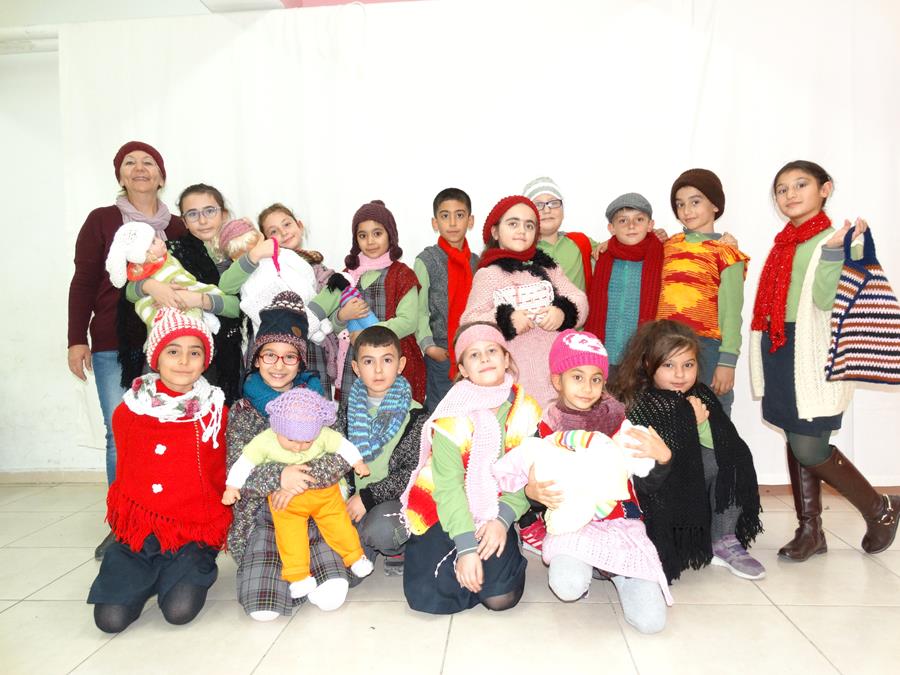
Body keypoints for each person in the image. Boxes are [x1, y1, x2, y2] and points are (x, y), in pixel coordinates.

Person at [750, 159, 899, 561]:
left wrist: (834, 252)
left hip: (815, 353)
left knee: (810, 447)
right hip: (781, 346)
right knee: (795, 435)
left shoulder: (842, 240)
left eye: (801, 185)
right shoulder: (784, 243)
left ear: (825, 188)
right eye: (782, 189)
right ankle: (810, 530)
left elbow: (824, 300)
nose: (790, 194)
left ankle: (880, 509)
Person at [496, 329, 672, 633]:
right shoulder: (545, 428)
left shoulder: (620, 423)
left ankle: (615, 569)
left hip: (621, 524)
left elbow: (646, 486)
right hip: (572, 525)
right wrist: (532, 493)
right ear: (557, 380)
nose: (588, 388)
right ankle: (592, 565)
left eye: (596, 379)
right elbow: (529, 486)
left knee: (652, 622)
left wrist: (663, 460)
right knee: (567, 586)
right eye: (577, 377)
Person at [67, 140, 186, 559]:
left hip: (170, 343)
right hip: (112, 341)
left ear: (161, 175)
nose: (139, 168)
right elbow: (84, 280)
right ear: (120, 174)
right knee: (120, 434)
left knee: (169, 431)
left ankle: (166, 518)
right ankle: (123, 524)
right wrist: (76, 338)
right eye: (130, 163)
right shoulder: (102, 220)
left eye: (148, 162)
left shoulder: (178, 227)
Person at [87, 308, 231, 633]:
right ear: (156, 357)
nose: (184, 361)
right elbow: (128, 472)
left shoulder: (215, 411)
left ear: (205, 360)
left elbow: (223, 470)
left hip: (193, 531)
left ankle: (179, 571)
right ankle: (144, 574)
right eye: (173, 351)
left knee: (179, 611)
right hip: (141, 532)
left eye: (194, 353)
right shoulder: (130, 410)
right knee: (109, 620)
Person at [225, 291, 356, 619]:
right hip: (264, 514)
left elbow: (340, 455)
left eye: (289, 357)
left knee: (333, 591)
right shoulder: (243, 411)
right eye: (270, 355)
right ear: (256, 359)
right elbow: (236, 469)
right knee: (262, 605)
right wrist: (280, 476)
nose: (279, 366)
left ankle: (312, 565)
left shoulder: (318, 403)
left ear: (300, 362)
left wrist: (300, 478)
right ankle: (279, 570)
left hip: (317, 506)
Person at [401, 322, 541, 614]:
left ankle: (503, 548)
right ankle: (465, 557)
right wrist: (466, 547)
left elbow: (526, 476)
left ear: (506, 359)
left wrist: (501, 521)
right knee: (425, 597)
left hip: (497, 508)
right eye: (474, 355)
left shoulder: (526, 410)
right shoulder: (451, 414)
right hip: (447, 508)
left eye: (492, 351)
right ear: (463, 370)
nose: (485, 358)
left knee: (500, 599)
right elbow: (448, 487)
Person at [613, 320, 764, 582]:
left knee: (732, 455)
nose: (680, 375)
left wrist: (701, 425)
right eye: (668, 365)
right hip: (651, 488)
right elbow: (647, 463)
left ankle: (723, 538)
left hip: (689, 481)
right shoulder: (636, 399)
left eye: (688, 365)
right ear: (648, 363)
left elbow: (723, 445)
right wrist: (685, 424)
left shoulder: (701, 394)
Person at [224, 387, 373, 598]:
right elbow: (244, 463)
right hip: (286, 503)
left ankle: (356, 557)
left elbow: (342, 445)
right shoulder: (265, 440)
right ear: (276, 429)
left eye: (307, 442)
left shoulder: (320, 431)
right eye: (291, 440)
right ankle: (299, 576)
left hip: (324, 495)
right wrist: (232, 486)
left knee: (339, 524)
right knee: (290, 536)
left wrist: (357, 461)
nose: (299, 447)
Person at [460, 195, 588, 408]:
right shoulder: (488, 274)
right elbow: (469, 321)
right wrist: (507, 320)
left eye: (529, 225)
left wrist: (562, 313)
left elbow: (579, 299)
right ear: (495, 232)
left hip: (556, 372)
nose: (522, 230)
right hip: (515, 377)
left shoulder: (549, 268)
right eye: (513, 223)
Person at [309, 200, 426, 403]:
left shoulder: (402, 274)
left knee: (393, 411)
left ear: (390, 235)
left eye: (377, 233)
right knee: (356, 413)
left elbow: (408, 322)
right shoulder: (347, 275)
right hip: (355, 363)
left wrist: (367, 336)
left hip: (392, 360)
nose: (370, 241)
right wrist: (341, 316)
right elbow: (335, 326)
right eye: (363, 235)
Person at [656, 169, 749, 416]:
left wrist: (727, 361)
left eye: (695, 202)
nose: (687, 211)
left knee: (712, 417)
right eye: (680, 204)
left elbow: (731, 313)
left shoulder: (726, 252)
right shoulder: (667, 246)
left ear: (715, 205)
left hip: (706, 348)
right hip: (664, 344)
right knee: (668, 419)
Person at [336, 325, 428, 573]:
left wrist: (368, 498)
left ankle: (397, 547)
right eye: (368, 361)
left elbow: (413, 472)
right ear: (356, 368)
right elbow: (334, 459)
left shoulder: (417, 415)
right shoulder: (345, 413)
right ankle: (361, 542)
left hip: (394, 503)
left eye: (387, 360)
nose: (378, 370)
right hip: (351, 502)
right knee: (344, 574)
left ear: (400, 365)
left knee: (382, 530)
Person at [584, 193, 664, 381]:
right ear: (611, 228)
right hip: (606, 353)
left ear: (650, 225)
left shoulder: (662, 254)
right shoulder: (601, 257)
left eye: (639, 219)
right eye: (623, 220)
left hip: (643, 355)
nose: (631, 226)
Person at [414, 187, 478, 412]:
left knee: (471, 409)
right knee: (441, 410)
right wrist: (428, 346)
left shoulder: (477, 262)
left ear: (470, 221)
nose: (452, 222)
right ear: (435, 223)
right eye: (445, 216)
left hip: (472, 349)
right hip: (441, 351)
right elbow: (420, 309)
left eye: (459, 215)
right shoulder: (427, 260)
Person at [106, 222, 224, 332]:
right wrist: (150, 286)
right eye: (153, 242)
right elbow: (129, 292)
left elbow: (181, 276)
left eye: (156, 237)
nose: (160, 241)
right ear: (144, 254)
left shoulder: (168, 255)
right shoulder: (140, 271)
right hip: (163, 308)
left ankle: (204, 316)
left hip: (188, 295)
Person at [523, 177, 596, 292]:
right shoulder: (520, 250)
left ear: (563, 211)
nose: (547, 210)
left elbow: (612, 249)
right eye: (538, 205)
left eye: (553, 203)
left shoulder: (581, 242)